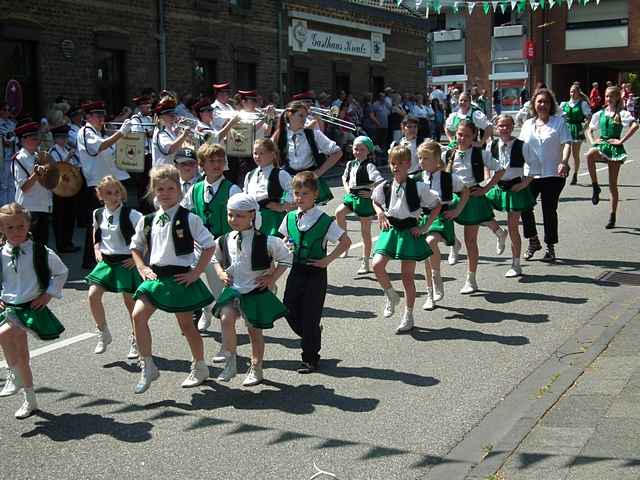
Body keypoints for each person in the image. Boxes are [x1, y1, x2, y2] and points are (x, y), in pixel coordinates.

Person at [129, 165, 215, 394]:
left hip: (179, 278)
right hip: (156, 277)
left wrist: (196, 273)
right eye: (160, 189)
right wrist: (141, 267)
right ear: (153, 191)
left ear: (179, 190)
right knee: (137, 316)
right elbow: (136, 247)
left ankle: (200, 366)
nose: (165, 193)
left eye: (170, 188)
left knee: (187, 326)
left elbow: (209, 245)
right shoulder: (147, 220)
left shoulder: (189, 218)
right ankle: (147, 365)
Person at [211, 194, 291, 385]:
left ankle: (256, 367)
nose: (234, 220)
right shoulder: (224, 239)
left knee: (254, 332)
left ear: (252, 215)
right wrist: (221, 273)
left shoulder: (267, 241)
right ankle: (230, 364)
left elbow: (286, 258)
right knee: (226, 318)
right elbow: (214, 257)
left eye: (240, 216)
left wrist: (271, 278)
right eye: (230, 215)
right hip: (233, 289)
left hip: (255, 291)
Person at [0, 203, 68, 418]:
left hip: (30, 308)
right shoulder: (1, 253)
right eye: (10, 228)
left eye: (20, 226)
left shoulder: (40, 251)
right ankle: (30, 400)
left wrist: (48, 294)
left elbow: (61, 272)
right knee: (22, 356)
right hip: (10, 307)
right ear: (1, 229)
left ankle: (13, 374)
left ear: (28, 224)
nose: (16, 231)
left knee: (3, 335)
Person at [281, 172, 351, 372]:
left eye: (304, 193)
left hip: (315, 272)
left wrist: (327, 260)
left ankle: (310, 357)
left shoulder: (324, 220)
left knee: (311, 315)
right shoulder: (290, 217)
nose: (300, 198)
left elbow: (345, 242)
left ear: (315, 195)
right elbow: (283, 239)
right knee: (288, 308)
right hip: (296, 270)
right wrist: (287, 244)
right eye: (296, 193)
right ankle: (312, 334)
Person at [372, 146, 441, 333]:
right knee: (377, 265)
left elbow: (436, 206)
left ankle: (408, 315)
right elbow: (375, 201)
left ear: (408, 164)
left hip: (410, 232)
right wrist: (380, 213)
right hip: (391, 229)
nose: (396, 167)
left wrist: (425, 227)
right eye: (393, 163)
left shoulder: (419, 187)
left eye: (400, 163)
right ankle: (391, 295)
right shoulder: (385, 186)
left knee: (407, 277)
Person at [182, 143, 241, 335]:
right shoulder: (195, 189)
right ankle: (203, 308)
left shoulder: (232, 189)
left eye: (220, 161)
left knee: (221, 293)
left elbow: (244, 218)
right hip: (198, 247)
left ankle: (224, 331)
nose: (216, 165)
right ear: (202, 165)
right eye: (211, 161)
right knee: (186, 280)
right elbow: (184, 214)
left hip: (220, 249)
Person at [445, 120, 507, 293]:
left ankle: (471, 280)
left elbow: (500, 169)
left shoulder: (480, 154)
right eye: (459, 134)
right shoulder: (449, 153)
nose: (462, 138)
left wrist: (487, 188)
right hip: (452, 198)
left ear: (474, 136)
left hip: (472, 197)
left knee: (471, 240)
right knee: (440, 226)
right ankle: (454, 245)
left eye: (466, 135)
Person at [86, 176, 143, 357]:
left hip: (127, 261)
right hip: (107, 262)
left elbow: (147, 237)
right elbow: (96, 233)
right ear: (100, 195)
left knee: (130, 304)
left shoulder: (132, 215)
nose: (114, 197)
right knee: (93, 295)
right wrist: (96, 249)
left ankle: (136, 339)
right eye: (109, 193)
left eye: (117, 192)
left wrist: (137, 259)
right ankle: (103, 333)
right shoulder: (98, 213)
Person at [76, 101, 132, 269]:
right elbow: (98, 147)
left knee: (110, 220)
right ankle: (91, 259)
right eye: (97, 115)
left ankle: (109, 255)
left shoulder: (99, 132)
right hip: (96, 185)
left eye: (102, 115)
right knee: (95, 224)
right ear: (87, 117)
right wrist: (121, 133)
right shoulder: (85, 132)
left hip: (108, 183)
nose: (101, 118)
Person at [414, 140, 468, 310]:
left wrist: (457, 211)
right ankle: (430, 294)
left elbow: (465, 191)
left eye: (426, 158)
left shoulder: (448, 178)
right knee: (424, 256)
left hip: (442, 216)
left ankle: (437, 276)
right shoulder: (416, 178)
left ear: (437, 159)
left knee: (430, 243)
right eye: (420, 158)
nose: (422, 162)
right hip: (423, 217)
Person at [519, 88, 572, 262]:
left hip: (553, 174)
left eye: (546, 102)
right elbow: (520, 148)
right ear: (534, 104)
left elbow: (566, 144)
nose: (543, 105)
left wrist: (563, 161)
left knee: (549, 211)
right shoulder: (527, 124)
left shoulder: (559, 123)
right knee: (525, 207)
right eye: (539, 101)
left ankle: (550, 247)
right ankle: (533, 240)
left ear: (551, 105)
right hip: (530, 174)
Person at [485, 115, 536, 277]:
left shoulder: (521, 145)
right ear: (496, 127)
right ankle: (499, 232)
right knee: (477, 207)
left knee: (513, 227)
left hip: (514, 189)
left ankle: (516, 264)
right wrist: (488, 178)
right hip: (497, 187)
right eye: (501, 126)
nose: (504, 129)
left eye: (507, 126)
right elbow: (487, 163)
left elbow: (535, 165)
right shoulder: (491, 145)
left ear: (513, 126)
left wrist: (524, 184)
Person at [585, 85, 639, 229]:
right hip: (602, 145)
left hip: (615, 148)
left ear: (616, 98)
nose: (608, 99)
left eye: (611, 96)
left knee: (612, 185)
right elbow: (589, 129)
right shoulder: (600, 113)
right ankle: (595, 187)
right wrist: (592, 140)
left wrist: (621, 141)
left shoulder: (622, 113)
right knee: (589, 155)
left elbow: (635, 126)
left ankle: (612, 216)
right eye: (606, 96)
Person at [271, 101, 342, 205]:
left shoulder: (312, 133)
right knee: (291, 214)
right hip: (288, 180)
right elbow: (267, 152)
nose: (304, 119)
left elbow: (337, 152)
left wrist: (318, 173)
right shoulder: (281, 133)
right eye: (300, 115)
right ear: (289, 115)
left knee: (307, 214)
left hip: (308, 181)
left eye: (305, 116)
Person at [335, 136, 384, 274]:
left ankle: (366, 261)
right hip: (352, 196)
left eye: (362, 149)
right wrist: (347, 189)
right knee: (339, 212)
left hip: (364, 198)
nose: (358, 152)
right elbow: (344, 178)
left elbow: (380, 182)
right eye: (356, 148)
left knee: (365, 232)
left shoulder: (369, 166)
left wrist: (372, 193)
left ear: (368, 151)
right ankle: (344, 244)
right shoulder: (350, 164)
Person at [11, 122, 53, 246]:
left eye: (37, 138)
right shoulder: (19, 158)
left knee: (42, 246)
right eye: (33, 138)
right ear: (23, 140)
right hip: (29, 208)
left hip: (43, 205)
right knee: (28, 246)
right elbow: (24, 187)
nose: (37, 141)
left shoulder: (39, 156)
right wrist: (36, 174)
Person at [243, 138, 294, 237]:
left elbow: (293, 190)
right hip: (252, 218)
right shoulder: (250, 175)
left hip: (272, 218)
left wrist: (283, 206)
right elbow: (245, 194)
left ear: (272, 154)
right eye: (255, 153)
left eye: (262, 153)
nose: (257, 156)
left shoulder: (280, 174)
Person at [47, 125, 80, 253]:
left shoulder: (66, 149)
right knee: (60, 217)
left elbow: (75, 165)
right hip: (59, 189)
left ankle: (68, 242)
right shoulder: (53, 152)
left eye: (66, 137)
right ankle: (61, 245)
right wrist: (69, 157)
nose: (65, 140)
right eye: (61, 138)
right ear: (55, 139)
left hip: (70, 187)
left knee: (70, 216)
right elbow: (58, 169)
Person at [560, 84, 592, 185]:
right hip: (565, 129)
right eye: (571, 91)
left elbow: (589, 117)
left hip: (576, 129)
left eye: (574, 91)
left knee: (575, 154)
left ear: (578, 92)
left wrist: (584, 129)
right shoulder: (564, 104)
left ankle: (575, 174)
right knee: (563, 153)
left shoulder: (582, 104)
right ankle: (566, 166)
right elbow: (558, 117)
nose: (572, 93)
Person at [130, 95, 155, 213]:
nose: (148, 107)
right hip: (142, 155)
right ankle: (142, 208)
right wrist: (150, 132)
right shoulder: (135, 119)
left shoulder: (150, 119)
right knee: (142, 183)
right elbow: (136, 134)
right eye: (145, 105)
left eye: (149, 104)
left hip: (151, 153)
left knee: (150, 181)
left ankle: (150, 205)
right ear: (140, 106)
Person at [151, 97, 190, 167]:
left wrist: (180, 135)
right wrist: (184, 135)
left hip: (172, 171)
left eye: (174, 115)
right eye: (170, 115)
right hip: (163, 173)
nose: (174, 117)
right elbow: (170, 149)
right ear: (160, 117)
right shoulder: (161, 132)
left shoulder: (171, 130)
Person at [0, 101, 17, 207]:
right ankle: (3, 208)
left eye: (8, 110)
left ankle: (11, 206)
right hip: (3, 157)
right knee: (3, 184)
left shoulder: (12, 124)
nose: (7, 112)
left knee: (12, 184)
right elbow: (4, 139)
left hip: (13, 155)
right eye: (4, 110)